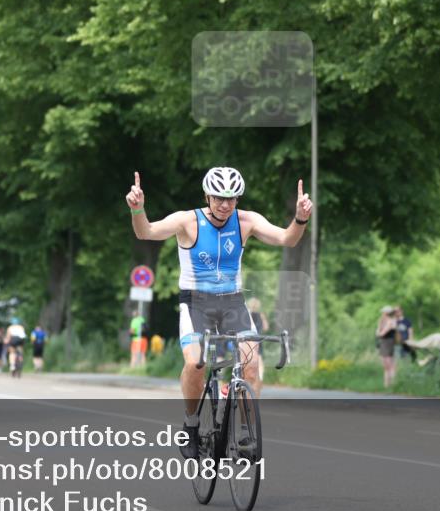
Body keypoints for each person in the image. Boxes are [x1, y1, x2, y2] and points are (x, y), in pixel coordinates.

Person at [125, 167, 313, 459]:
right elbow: (146, 232)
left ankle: (247, 435)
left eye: (232, 198)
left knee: (251, 366)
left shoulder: (246, 221)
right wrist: (138, 209)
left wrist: (301, 217)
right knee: (197, 363)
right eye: (219, 198)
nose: (225, 205)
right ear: (207, 196)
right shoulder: (187, 221)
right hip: (196, 303)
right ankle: (190, 424)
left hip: (233, 303)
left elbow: (288, 238)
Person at [376, 305, 399, 388]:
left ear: (386, 313)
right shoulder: (384, 322)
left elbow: (381, 334)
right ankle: (386, 385)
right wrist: (380, 324)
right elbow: (378, 333)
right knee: (385, 366)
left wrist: (379, 329)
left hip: (388, 343)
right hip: (384, 343)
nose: (382, 314)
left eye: (383, 312)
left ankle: (393, 384)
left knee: (390, 365)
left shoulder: (391, 321)